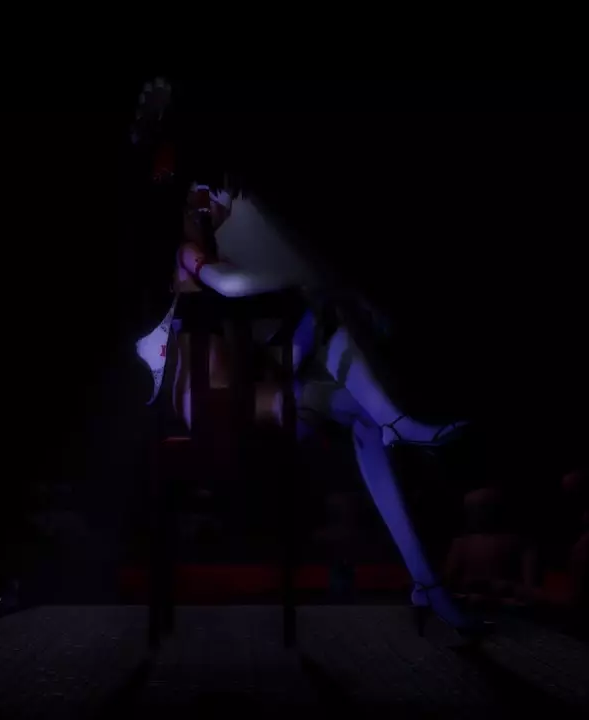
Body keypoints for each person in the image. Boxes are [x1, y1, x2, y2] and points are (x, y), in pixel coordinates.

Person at [128, 77, 484, 640]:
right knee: (328, 314)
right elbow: (235, 286)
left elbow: (254, 300)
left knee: (360, 415)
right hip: (213, 404)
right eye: (210, 194)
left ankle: (425, 580)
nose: (218, 200)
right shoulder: (189, 252)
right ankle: (398, 423)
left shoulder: (211, 240)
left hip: (249, 394)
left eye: (220, 194)